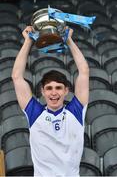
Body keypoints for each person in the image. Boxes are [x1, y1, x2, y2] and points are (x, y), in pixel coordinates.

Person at [12, 26, 89, 176]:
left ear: (66, 91)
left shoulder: (76, 111)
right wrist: (28, 41)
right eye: (49, 88)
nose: (54, 93)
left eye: (58, 88)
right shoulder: (34, 113)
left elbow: (84, 71)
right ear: (42, 91)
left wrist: (69, 41)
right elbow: (16, 77)